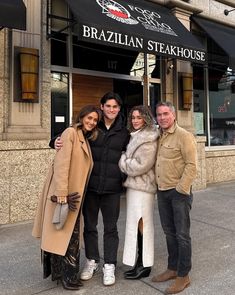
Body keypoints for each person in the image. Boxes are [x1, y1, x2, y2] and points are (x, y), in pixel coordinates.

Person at [53, 92, 130, 286]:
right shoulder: (92, 126)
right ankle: (92, 260)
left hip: (113, 189)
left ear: (119, 109)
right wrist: (53, 141)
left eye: (115, 107)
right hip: (90, 188)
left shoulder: (125, 132)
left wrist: (124, 178)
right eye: (108, 106)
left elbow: (135, 153)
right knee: (90, 227)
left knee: (111, 228)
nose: (112, 109)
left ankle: (110, 265)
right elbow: (70, 135)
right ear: (102, 106)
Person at [32, 105, 100, 291]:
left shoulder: (85, 138)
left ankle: (65, 274)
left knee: (70, 236)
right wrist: (61, 194)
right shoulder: (70, 132)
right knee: (65, 235)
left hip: (74, 197)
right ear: (82, 117)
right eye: (89, 118)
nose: (92, 122)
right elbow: (62, 164)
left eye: (95, 120)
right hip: (64, 196)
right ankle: (66, 276)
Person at [152, 101, 197, 294]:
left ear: (173, 115)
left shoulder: (184, 136)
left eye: (165, 114)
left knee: (182, 235)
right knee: (169, 233)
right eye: (159, 114)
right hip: (162, 192)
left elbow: (192, 166)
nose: (162, 118)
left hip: (178, 193)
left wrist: (180, 190)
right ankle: (172, 268)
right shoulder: (159, 136)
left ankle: (183, 275)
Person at [119, 105, 159, 280]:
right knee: (137, 225)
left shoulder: (148, 138)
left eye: (139, 117)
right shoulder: (136, 135)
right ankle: (139, 261)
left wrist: (122, 160)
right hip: (135, 188)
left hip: (143, 188)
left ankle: (145, 264)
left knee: (143, 224)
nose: (135, 120)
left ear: (146, 119)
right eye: (133, 117)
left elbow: (140, 165)